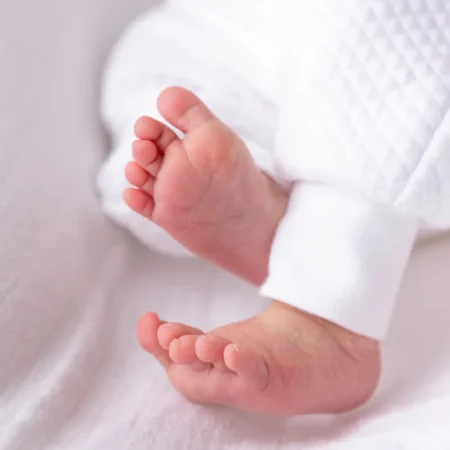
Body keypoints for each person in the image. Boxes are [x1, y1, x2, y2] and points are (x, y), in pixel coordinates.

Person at [103, 0, 450, 415]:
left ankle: (325, 305)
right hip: (242, 37)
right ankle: (282, 214)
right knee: (148, 75)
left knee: (382, 37)